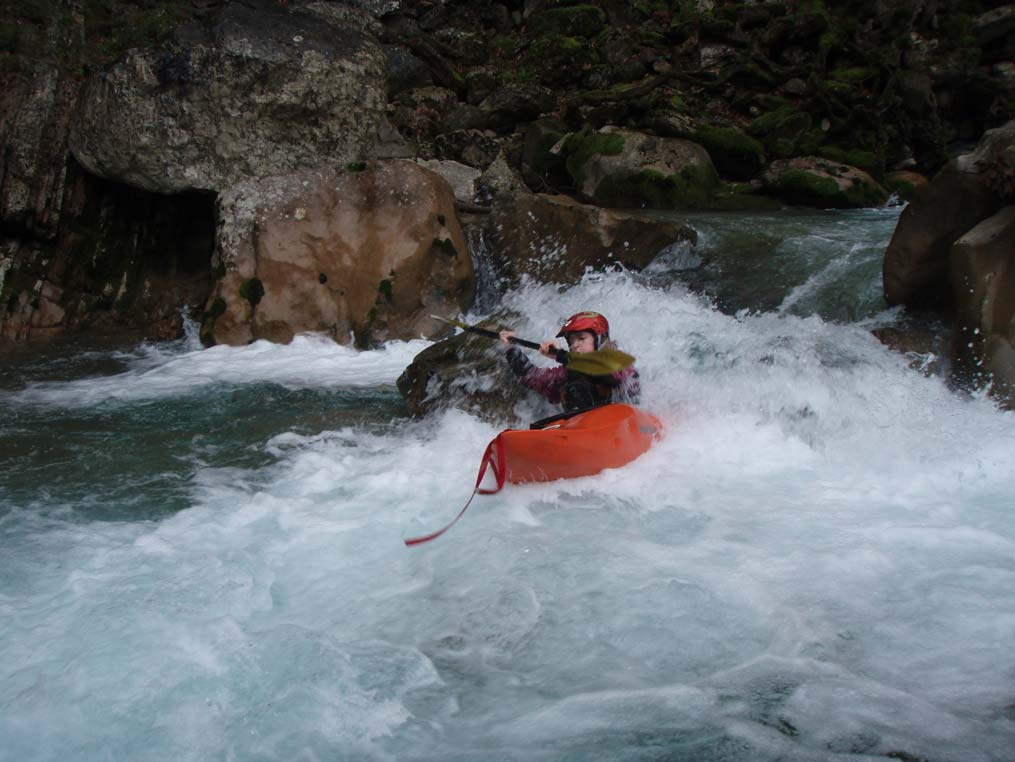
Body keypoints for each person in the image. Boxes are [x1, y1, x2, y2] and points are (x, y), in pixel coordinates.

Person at [499, 311, 640, 412]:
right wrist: (511, 348)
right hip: (583, 427)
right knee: (575, 384)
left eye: (581, 338)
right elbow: (531, 377)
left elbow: (607, 373)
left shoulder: (619, 363)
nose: (574, 345)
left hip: (622, 422)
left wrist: (560, 356)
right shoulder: (568, 371)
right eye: (571, 341)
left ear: (600, 340)